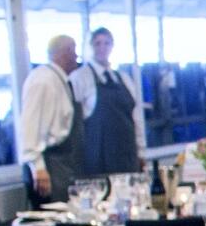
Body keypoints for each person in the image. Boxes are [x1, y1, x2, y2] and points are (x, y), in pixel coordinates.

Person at [70, 27, 145, 175]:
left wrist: (141, 151)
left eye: (107, 43)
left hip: (127, 154)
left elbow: (136, 118)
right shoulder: (80, 77)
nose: (102, 48)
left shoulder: (124, 78)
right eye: (97, 43)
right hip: (98, 158)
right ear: (90, 47)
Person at [19, 35, 83, 205]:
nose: (77, 56)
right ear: (63, 53)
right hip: (49, 167)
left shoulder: (60, 80)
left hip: (65, 164)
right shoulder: (43, 80)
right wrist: (38, 167)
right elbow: (30, 126)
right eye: (73, 50)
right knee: (53, 218)